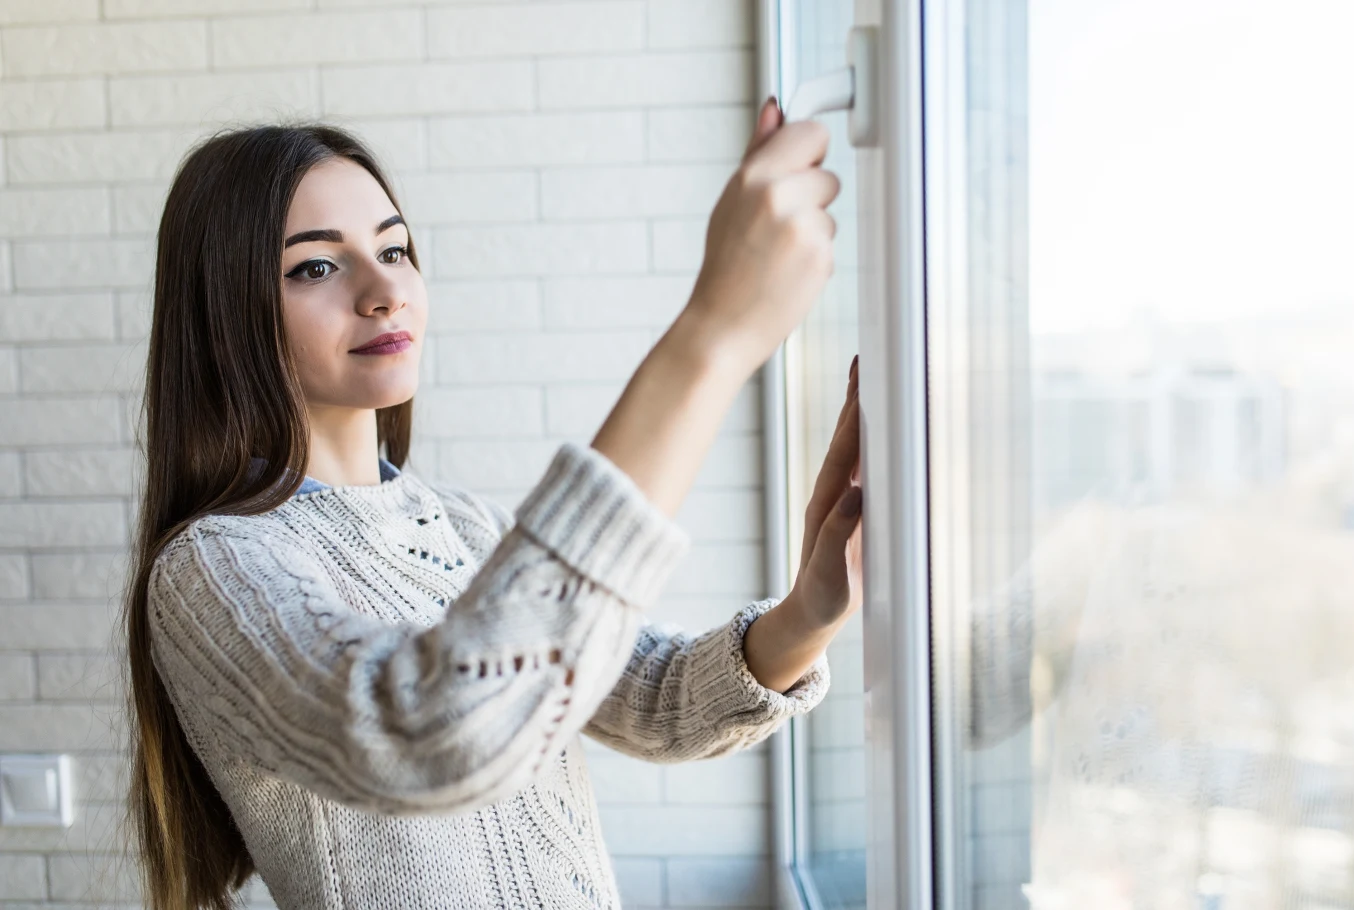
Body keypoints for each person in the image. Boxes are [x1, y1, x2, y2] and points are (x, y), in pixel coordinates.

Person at [120, 98, 862, 910]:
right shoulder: (216, 569)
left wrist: (813, 609)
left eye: (395, 250)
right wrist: (711, 339)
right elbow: (434, 735)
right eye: (317, 267)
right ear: (226, 313)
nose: (383, 292)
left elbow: (652, 697)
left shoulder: (462, 523)